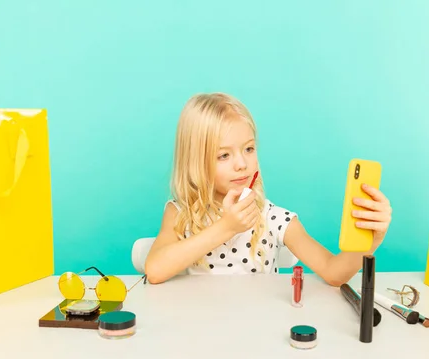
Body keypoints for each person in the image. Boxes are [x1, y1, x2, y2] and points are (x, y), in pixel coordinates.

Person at [145, 92, 392, 286]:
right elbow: (155, 271)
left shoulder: (271, 217)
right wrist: (226, 227)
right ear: (195, 161)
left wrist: (370, 243)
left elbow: (333, 272)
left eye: (249, 149)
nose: (242, 164)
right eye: (223, 155)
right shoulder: (180, 213)